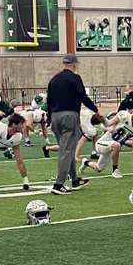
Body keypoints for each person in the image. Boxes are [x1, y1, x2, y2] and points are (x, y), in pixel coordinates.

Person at [47, 54, 99, 195]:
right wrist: (95, 109)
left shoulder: (53, 80)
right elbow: (82, 96)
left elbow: (49, 101)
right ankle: (59, 184)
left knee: (67, 149)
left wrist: (49, 119)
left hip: (55, 117)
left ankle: (75, 179)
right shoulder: (75, 78)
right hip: (69, 115)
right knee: (66, 150)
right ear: (75, 65)